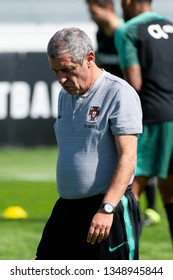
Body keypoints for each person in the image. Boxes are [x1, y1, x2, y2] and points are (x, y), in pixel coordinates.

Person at [35, 27, 142, 260]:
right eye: (56, 71)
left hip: (106, 208)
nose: (61, 79)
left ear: (89, 58)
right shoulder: (65, 95)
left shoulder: (119, 93)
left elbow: (128, 158)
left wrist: (107, 209)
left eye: (67, 70)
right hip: (66, 209)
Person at [86, 0, 159, 227]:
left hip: (131, 104)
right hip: (109, 104)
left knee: (135, 156)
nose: (91, 15)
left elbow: (137, 74)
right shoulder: (101, 34)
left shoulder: (125, 33)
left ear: (107, 8)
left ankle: (146, 209)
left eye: (93, 10)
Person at [115, 0, 173, 241]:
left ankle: (129, 262)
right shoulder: (170, 25)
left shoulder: (128, 30)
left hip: (151, 117)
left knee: (129, 187)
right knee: (169, 192)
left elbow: (134, 83)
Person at [85, 0, 123, 77]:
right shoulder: (100, 34)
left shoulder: (126, 33)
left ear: (109, 9)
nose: (92, 18)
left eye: (94, 13)